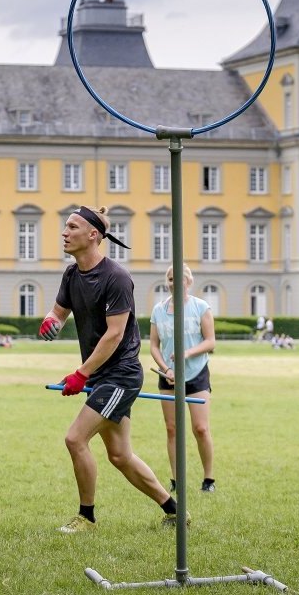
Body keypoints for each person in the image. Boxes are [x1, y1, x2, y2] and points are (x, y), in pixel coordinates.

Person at [38, 205, 180, 533]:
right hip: (102, 375)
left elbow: (115, 334)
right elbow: (59, 312)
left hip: (121, 375)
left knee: (75, 439)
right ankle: (173, 510)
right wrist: (51, 322)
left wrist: (81, 373)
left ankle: (86, 517)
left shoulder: (116, 277)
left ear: (93, 236)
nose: (64, 232)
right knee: (120, 455)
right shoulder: (72, 274)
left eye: (72, 227)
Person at [149, 263, 217, 493]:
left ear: (189, 282)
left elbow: (210, 342)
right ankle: (177, 479)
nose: (174, 283)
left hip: (196, 373)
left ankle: (209, 479)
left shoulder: (201, 307)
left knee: (200, 428)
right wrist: (165, 367)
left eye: (179, 279)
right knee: (172, 428)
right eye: (170, 279)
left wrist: (186, 353)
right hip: (169, 377)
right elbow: (154, 345)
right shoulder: (159, 310)